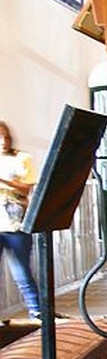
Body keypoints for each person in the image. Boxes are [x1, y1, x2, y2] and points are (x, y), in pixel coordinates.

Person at [0, 121, 41, 319]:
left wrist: (2, 180)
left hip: (15, 224)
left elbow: (26, 188)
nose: (3, 141)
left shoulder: (22, 158)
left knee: (22, 272)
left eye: (5, 136)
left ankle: (37, 311)